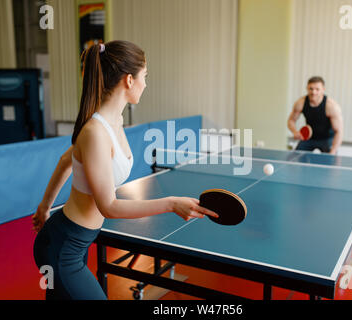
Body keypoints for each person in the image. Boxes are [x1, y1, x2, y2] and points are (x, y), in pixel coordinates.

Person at [32, 40, 217, 300]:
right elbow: (109, 206)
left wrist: (44, 207)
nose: (146, 83)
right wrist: (172, 203)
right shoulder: (95, 132)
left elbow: (66, 160)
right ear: (129, 80)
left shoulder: (115, 121)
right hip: (63, 247)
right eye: (145, 76)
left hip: (77, 240)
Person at [287, 76, 343, 154]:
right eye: (311, 89)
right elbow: (291, 120)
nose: (314, 92)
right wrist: (295, 132)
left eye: (317, 89)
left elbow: (339, 131)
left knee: (330, 162)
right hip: (309, 139)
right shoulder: (300, 103)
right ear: (307, 88)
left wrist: (333, 152)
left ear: (323, 89)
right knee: (296, 157)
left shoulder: (331, 106)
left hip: (326, 139)